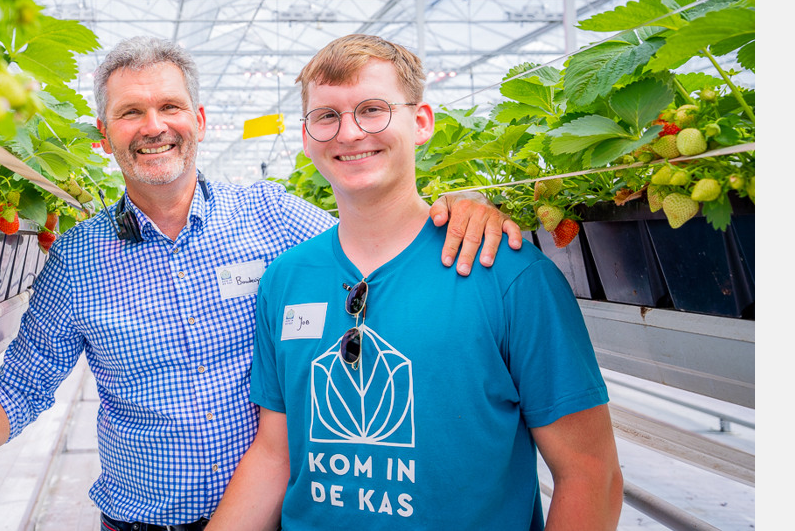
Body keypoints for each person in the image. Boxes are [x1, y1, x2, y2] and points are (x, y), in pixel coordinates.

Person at [0, 36, 523, 529]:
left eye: (169, 106)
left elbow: (377, 252)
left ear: (200, 120)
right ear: (104, 136)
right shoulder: (77, 259)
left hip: (275, 512)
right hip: (140, 521)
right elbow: (22, 382)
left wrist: (456, 208)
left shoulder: (270, 215)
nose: (153, 125)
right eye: (131, 113)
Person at [208, 34, 622, 530]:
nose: (350, 132)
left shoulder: (509, 275)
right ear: (306, 135)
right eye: (327, 116)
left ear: (421, 122)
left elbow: (589, 472)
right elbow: (276, 454)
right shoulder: (287, 278)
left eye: (373, 109)